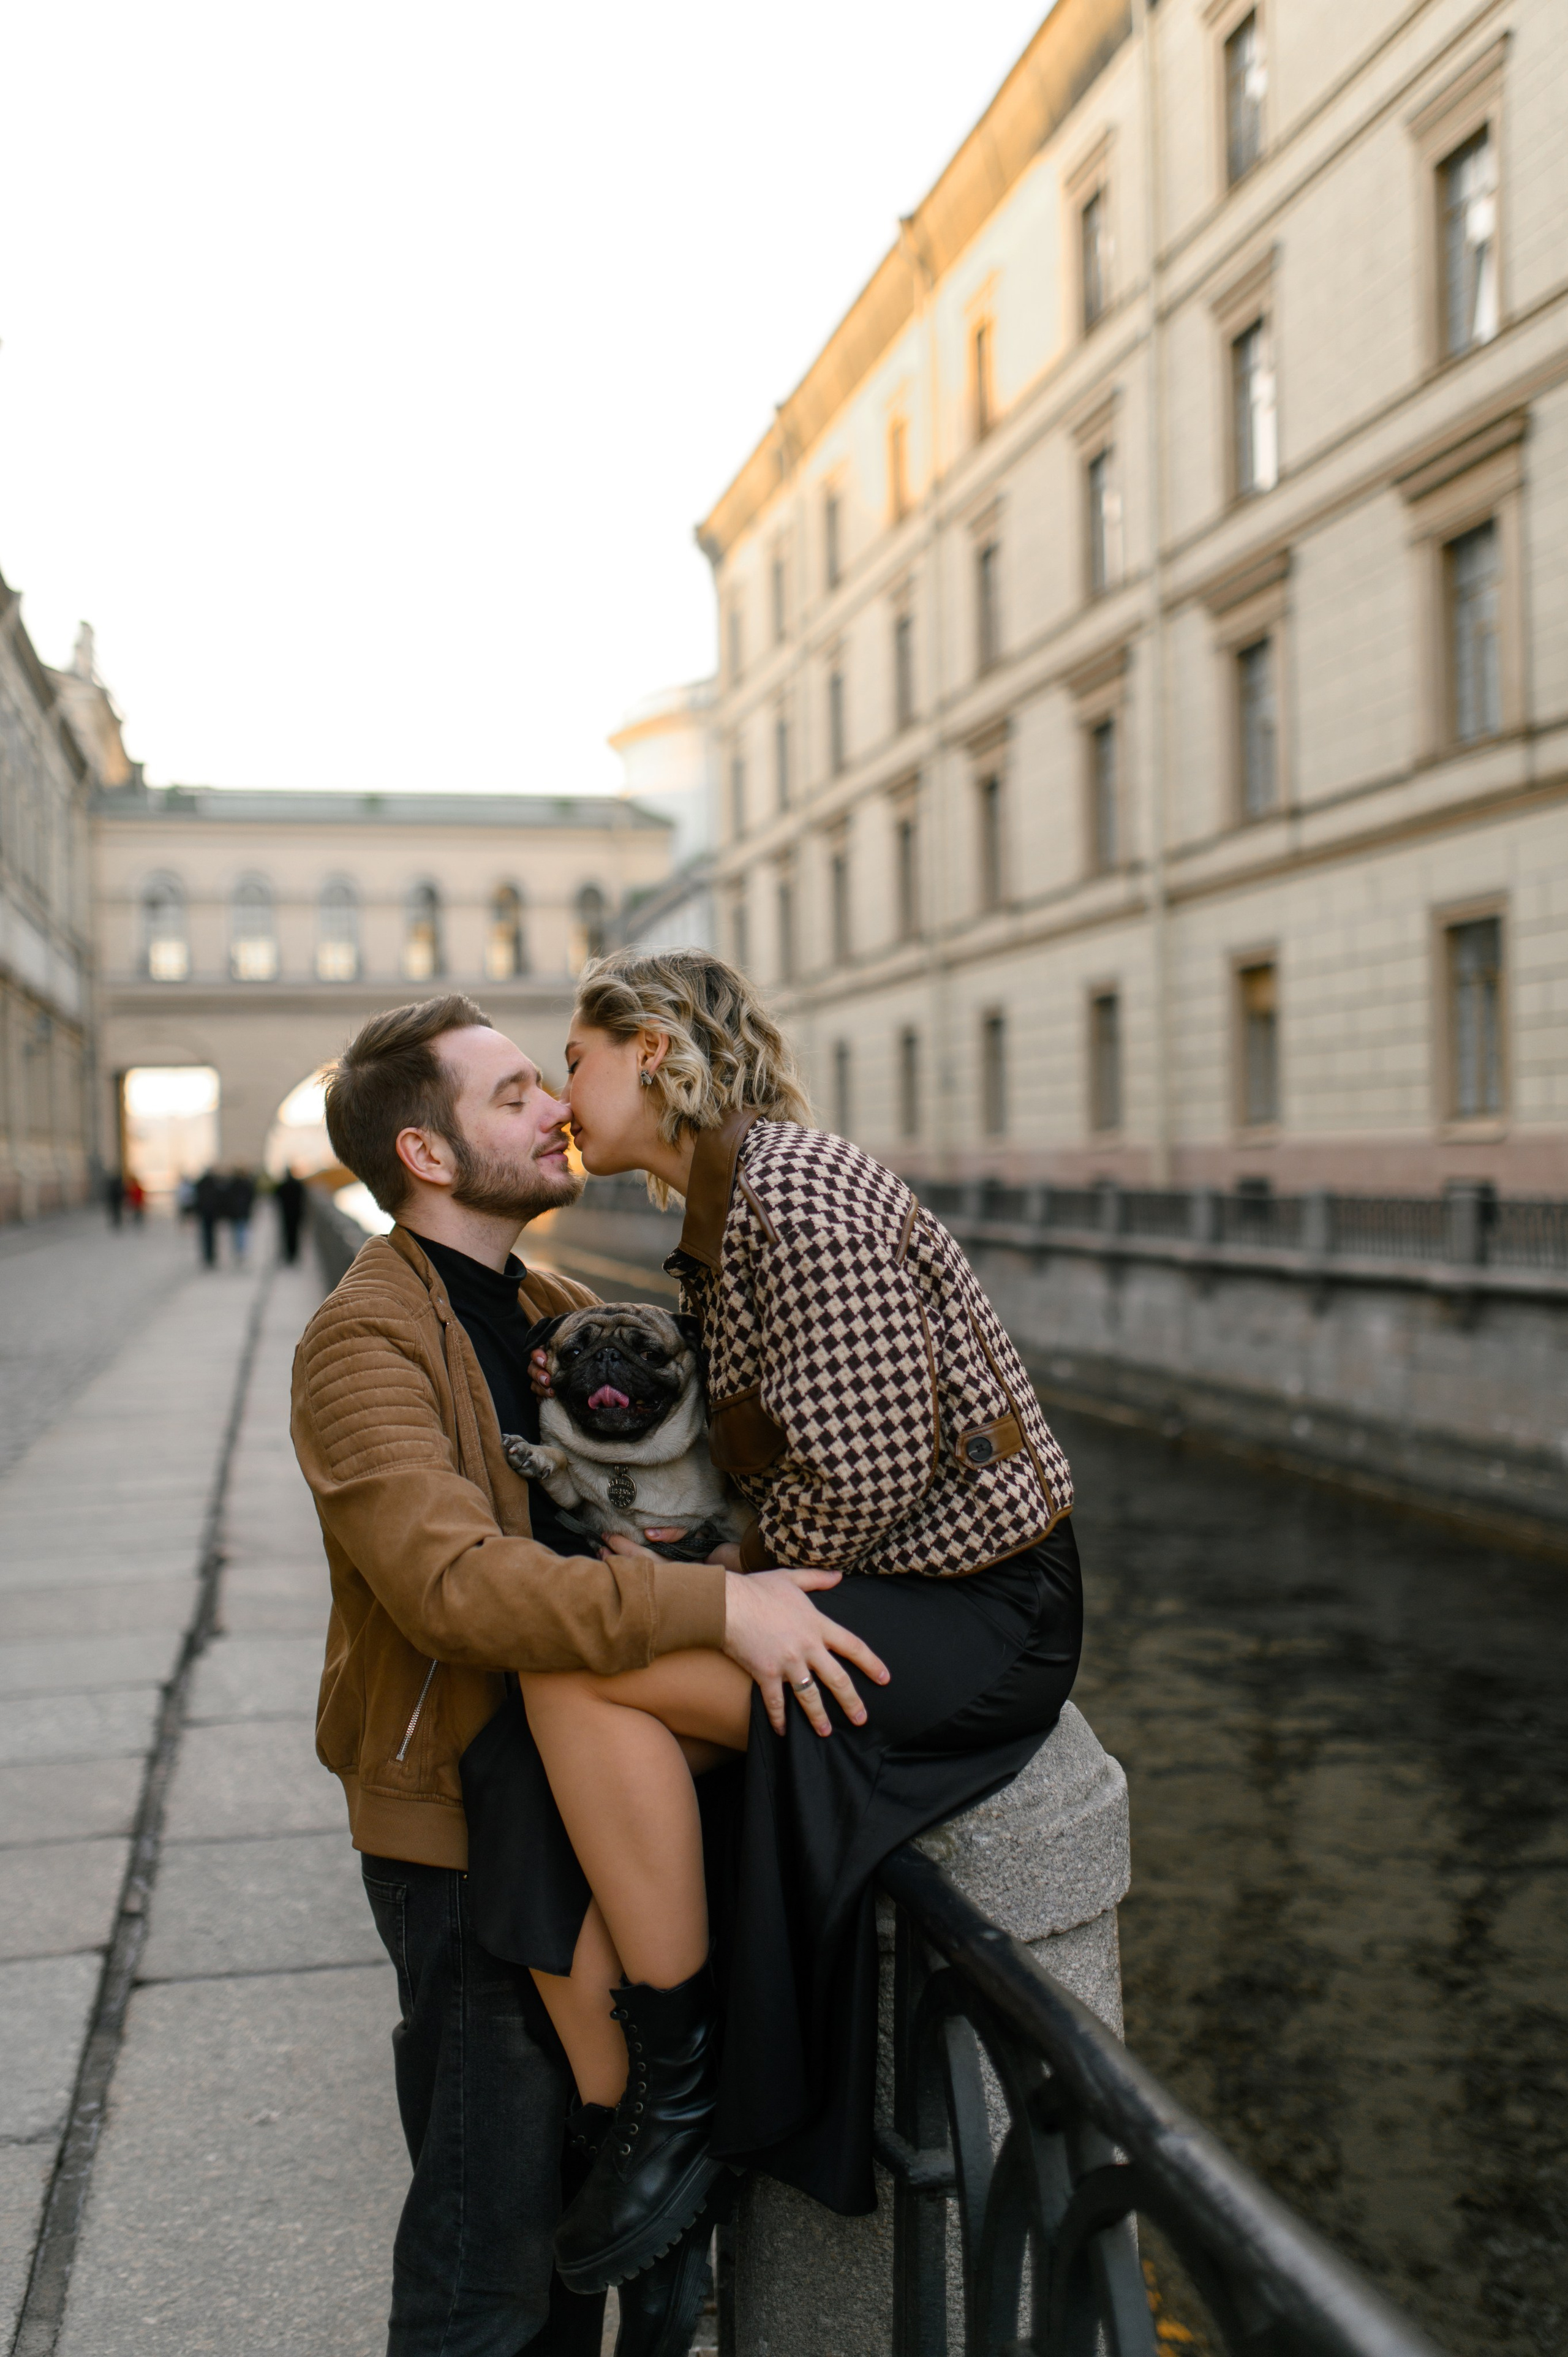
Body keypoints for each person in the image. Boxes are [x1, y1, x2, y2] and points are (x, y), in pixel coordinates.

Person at [289, 995, 874, 2357]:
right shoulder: (363, 1339)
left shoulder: (555, 1307)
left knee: (590, 2229)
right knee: (484, 2265)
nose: (554, 1105)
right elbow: (453, 1588)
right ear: (426, 1156)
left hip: (590, 1809)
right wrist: (712, 1611)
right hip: (461, 1836)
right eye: (509, 1096)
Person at [510, 947, 1080, 2292]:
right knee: (584, 1729)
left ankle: (677, 2108)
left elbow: (864, 1472)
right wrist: (724, 1587)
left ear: (647, 1050)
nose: (561, 1088)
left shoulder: (796, 1192)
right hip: (892, 1584)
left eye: (572, 1057)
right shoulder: (721, 1200)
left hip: (979, 1613)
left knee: (582, 1678)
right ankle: (640, 2116)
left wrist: (735, 1599)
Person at [274, 1166, 306, 1264]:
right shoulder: (298, 1185)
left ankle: (288, 1254)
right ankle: (294, 1254)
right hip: (297, 1213)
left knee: (286, 1233)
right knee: (295, 1234)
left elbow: (276, 1196)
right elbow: (303, 1199)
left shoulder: (283, 1186)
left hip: (286, 1214)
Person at [194, 1167, 222, 1267]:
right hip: (212, 1213)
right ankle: (211, 1255)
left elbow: (196, 1199)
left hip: (204, 1213)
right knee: (212, 1235)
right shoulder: (214, 1184)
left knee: (206, 1235)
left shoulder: (200, 1184)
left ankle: (207, 1255)